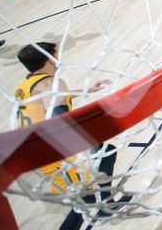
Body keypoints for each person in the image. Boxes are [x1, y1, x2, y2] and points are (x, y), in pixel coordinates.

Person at [15, 42, 122, 230]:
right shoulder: (52, 83)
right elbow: (60, 121)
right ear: (49, 59)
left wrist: (86, 90)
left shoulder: (27, 82)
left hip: (36, 151)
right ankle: (105, 207)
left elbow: (48, 100)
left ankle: (106, 203)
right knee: (84, 198)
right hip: (55, 155)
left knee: (106, 153)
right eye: (56, 54)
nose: (59, 58)